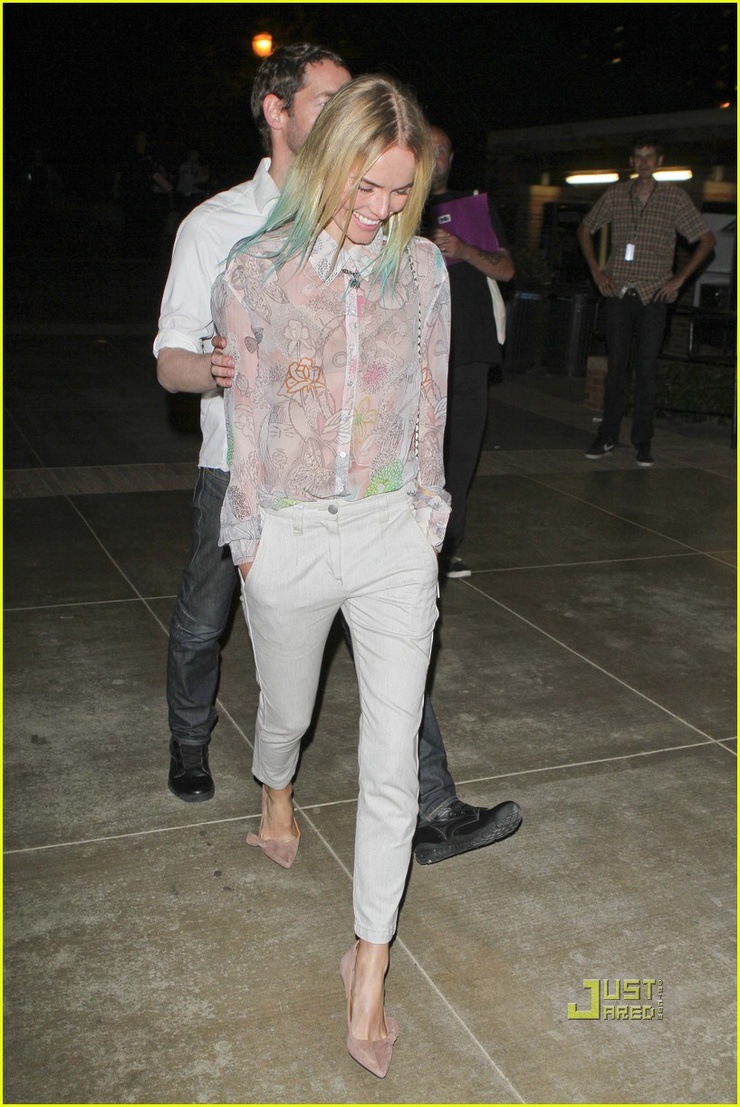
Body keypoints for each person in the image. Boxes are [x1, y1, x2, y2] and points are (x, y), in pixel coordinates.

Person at [155, 45, 521, 864]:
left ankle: (430, 800)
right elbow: (170, 360)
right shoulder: (219, 227)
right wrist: (222, 368)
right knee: (207, 620)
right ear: (277, 111)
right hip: (244, 469)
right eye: (326, 98)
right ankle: (198, 744)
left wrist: (424, 511)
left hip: (364, 497)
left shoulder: (384, 227)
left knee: (394, 655)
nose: (344, 109)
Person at [214, 72, 451, 1079]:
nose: (382, 209)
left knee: (391, 762)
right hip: (292, 533)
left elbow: (430, 402)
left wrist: (428, 517)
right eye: (366, 186)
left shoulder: (423, 270)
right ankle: (274, 784)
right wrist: (250, 538)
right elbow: (247, 422)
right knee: (288, 711)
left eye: (400, 191)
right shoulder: (256, 271)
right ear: (326, 165)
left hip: (391, 533)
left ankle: (368, 963)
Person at [578, 135, 715, 467]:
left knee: (647, 370)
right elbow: (585, 228)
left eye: (649, 157)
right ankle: (607, 436)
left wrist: (679, 280)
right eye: (638, 157)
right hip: (618, 292)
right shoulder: (616, 194)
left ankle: (643, 440)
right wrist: (597, 271)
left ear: (659, 161)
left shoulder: (674, 198)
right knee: (616, 369)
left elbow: (707, 239)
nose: (643, 163)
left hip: (654, 294)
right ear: (631, 162)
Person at [425, 126, 515, 578]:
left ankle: (447, 548)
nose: (434, 157)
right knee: (419, 456)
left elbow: (507, 268)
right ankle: (414, 548)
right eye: (427, 149)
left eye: (441, 150)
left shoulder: (473, 206)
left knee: (460, 455)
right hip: (417, 355)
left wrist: (463, 249)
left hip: (471, 348)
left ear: (452, 157)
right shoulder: (394, 205)